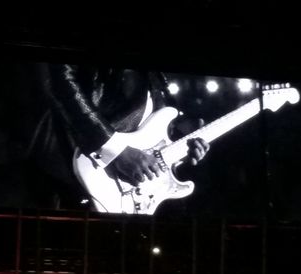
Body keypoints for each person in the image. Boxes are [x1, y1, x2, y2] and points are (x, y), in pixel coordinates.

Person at [33, 63, 210, 209]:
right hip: (65, 177)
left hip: (125, 196)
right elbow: (58, 81)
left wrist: (180, 148)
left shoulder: (156, 78)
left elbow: (147, 127)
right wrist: (114, 150)